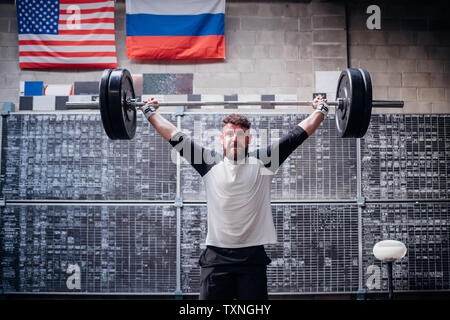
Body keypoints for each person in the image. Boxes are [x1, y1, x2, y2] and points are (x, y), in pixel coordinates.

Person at [140, 96, 329, 300]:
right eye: (229, 134)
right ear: (222, 139)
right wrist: (150, 112)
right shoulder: (207, 163)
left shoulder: (265, 162)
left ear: (248, 139)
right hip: (216, 258)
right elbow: (174, 136)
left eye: (240, 134)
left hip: (252, 258)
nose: (234, 138)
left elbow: (297, 135)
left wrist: (321, 109)